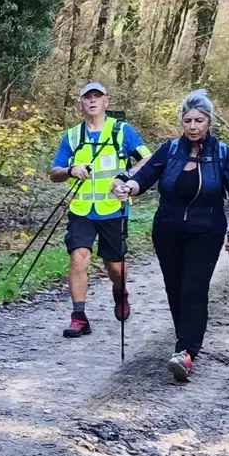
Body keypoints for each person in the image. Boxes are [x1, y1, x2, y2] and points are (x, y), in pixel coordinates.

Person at [114, 90, 229, 384]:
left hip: (207, 231)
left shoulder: (222, 154)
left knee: (193, 290)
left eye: (199, 120)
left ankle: (186, 352)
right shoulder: (170, 150)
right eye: (187, 121)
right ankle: (184, 342)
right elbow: (145, 177)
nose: (192, 126)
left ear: (209, 122)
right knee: (175, 290)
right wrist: (128, 187)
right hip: (167, 231)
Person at [46, 81, 150, 338]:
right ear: (81, 103)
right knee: (78, 257)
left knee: (115, 267)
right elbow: (54, 172)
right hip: (81, 209)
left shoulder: (121, 131)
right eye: (87, 97)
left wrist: (126, 177)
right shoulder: (72, 136)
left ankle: (120, 292)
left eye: (97, 96)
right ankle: (79, 317)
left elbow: (148, 160)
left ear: (106, 102)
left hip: (113, 208)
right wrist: (70, 170)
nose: (92, 101)